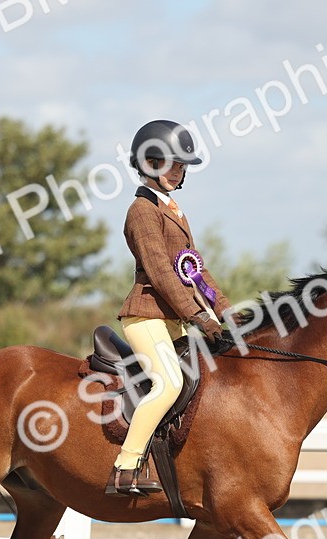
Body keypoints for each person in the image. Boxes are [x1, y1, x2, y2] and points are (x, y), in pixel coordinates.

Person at [107, 119, 232, 496]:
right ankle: (125, 466)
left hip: (171, 319)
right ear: (152, 163)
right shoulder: (141, 211)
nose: (181, 172)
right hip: (146, 316)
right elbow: (162, 274)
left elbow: (194, 268)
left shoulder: (172, 209)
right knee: (169, 382)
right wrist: (198, 317)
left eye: (183, 166)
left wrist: (226, 312)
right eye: (176, 164)